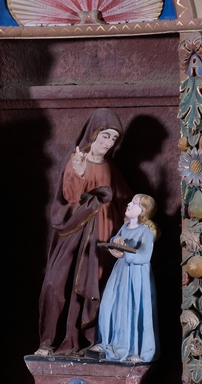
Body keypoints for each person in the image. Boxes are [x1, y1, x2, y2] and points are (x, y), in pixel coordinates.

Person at [36, 109, 130, 356]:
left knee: (97, 286)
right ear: (93, 134)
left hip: (103, 234)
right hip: (76, 231)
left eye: (113, 138)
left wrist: (133, 225)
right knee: (56, 283)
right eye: (105, 136)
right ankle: (50, 341)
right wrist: (78, 172)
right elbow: (70, 197)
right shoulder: (76, 160)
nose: (109, 143)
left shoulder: (110, 167)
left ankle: (90, 342)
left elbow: (125, 200)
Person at [92, 193, 158, 364]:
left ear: (143, 210)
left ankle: (133, 349)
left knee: (131, 308)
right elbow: (117, 239)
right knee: (109, 304)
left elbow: (145, 256)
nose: (129, 204)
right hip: (120, 272)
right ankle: (107, 342)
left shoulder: (146, 231)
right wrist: (116, 240)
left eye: (134, 203)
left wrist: (124, 254)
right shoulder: (125, 226)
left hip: (136, 274)